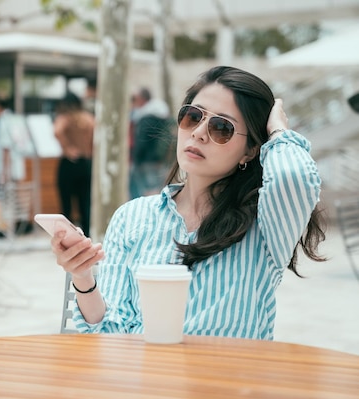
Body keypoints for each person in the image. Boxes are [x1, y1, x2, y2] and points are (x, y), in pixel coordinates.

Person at [50, 66, 327, 340]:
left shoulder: (265, 226)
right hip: (146, 379)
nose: (198, 133)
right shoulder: (131, 217)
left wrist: (278, 130)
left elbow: (295, 178)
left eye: (221, 127)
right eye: (193, 117)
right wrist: (83, 275)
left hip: (228, 383)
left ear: (251, 151)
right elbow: (109, 333)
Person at [53, 92, 95, 237]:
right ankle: (87, 236)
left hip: (68, 164)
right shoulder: (88, 118)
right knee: (86, 203)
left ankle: (67, 237)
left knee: (66, 204)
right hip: (86, 163)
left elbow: (57, 131)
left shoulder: (64, 117)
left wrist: (67, 149)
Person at [129, 87, 173, 199]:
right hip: (159, 159)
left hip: (147, 160)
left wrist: (136, 158)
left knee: (149, 193)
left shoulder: (146, 118)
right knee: (156, 190)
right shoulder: (161, 115)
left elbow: (142, 141)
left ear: (142, 99)